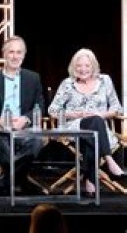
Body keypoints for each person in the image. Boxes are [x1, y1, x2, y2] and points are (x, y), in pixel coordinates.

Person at [47, 48, 126, 197]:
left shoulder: (105, 81)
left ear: (93, 66)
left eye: (87, 65)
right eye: (79, 66)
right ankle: (109, 159)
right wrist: (77, 114)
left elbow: (117, 108)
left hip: (99, 129)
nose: (83, 69)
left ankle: (90, 180)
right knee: (94, 126)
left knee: (94, 129)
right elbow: (52, 110)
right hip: (74, 126)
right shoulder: (68, 84)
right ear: (73, 67)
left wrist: (100, 114)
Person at [0, 35, 45, 195]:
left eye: (19, 52)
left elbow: (40, 106)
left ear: (24, 55)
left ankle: (5, 182)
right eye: (11, 52)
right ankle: (22, 179)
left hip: (23, 127)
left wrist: (25, 119)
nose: (15, 56)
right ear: (4, 54)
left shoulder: (33, 78)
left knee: (37, 139)